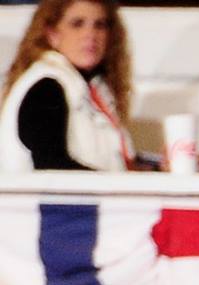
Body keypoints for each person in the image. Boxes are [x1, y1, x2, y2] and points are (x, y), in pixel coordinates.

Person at [0, 0, 135, 173]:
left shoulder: (92, 88)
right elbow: (52, 166)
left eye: (99, 25)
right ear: (52, 34)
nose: (90, 34)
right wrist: (116, 184)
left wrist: (154, 169)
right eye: (77, 24)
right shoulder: (46, 87)